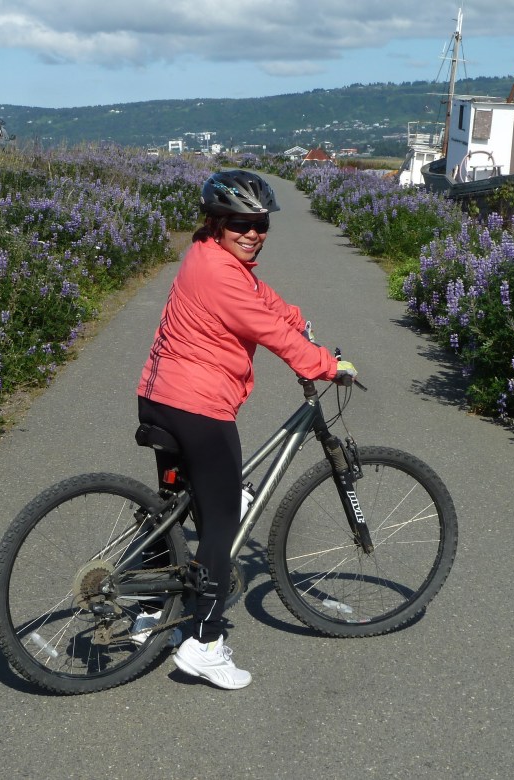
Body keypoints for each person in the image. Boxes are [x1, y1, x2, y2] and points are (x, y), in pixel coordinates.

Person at [135, 170, 356, 690]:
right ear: (216, 222)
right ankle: (206, 643)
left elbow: (265, 304)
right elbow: (267, 331)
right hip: (198, 408)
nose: (253, 232)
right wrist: (327, 365)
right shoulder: (220, 274)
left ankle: (150, 608)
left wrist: (298, 319)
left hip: (159, 396)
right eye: (240, 223)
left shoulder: (207, 256)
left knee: (175, 509)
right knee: (222, 522)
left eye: (261, 224)